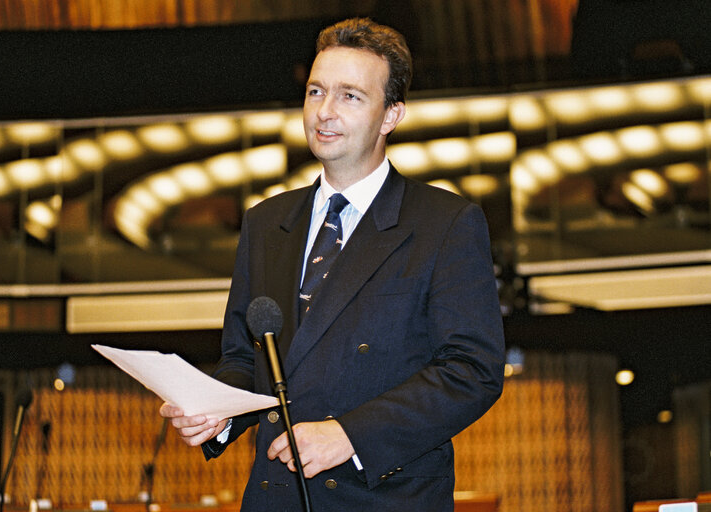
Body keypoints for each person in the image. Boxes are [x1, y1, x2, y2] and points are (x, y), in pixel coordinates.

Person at [160, 17, 505, 511]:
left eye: (350, 96)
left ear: (391, 115)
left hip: (384, 497)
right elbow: (245, 357)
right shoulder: (265, 223)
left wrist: (351, 435)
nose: (324, 112)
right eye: (316, 91)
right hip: (276, 495)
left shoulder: (445, 223)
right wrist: (218, 411)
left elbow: (472, 370)